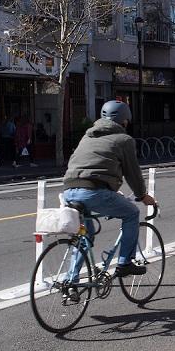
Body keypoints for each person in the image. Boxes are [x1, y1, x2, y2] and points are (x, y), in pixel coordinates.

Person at [63, 100, 156, 282]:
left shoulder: (87, 136)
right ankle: (124, 263)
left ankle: (70, 282)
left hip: (69, 190)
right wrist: (143, 196)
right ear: (125, 121)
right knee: (131, 213)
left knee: (86, 235)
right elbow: (133, 173)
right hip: (93, 192)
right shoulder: (124, 140)